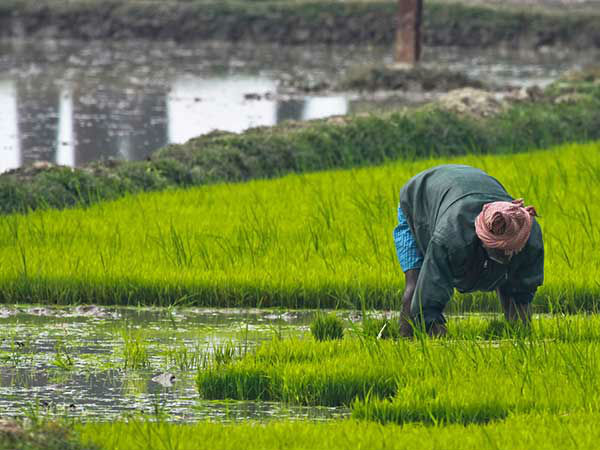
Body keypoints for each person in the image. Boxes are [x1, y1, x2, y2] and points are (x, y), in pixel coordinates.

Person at [393, 164, 544, 337]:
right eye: (500, 250)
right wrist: (442, 347)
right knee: (416, 285)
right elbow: (427, 303)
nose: (507, 254)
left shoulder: (528, 232)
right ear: (484, 239)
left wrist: (522, 339)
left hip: (466, 192)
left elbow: (522, 292)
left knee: (511, 285)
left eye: (511, 249)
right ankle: (405, 343)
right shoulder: (451, 238)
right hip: (420, 200)